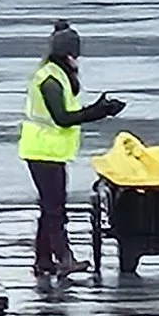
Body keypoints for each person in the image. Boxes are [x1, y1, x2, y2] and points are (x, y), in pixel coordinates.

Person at [15, 23, 124, 283]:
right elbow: (63, 118)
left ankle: (43, 261)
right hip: (43, 151)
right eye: (75, 55)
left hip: (48, 151)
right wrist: (99, 112)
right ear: (68, 54)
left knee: (48, 207)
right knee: (55, 209)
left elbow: (69, 112)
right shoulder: (50, 79)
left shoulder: (57, 75)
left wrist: (97, 108)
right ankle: (65, 259)